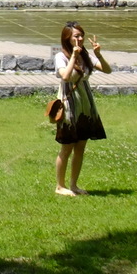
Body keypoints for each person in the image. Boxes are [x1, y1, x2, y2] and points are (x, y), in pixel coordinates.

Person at [53, 21, 111, 196]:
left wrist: (98, 55)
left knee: (80, 146)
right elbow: (65, 76)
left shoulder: (85, 55)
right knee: (67, 146)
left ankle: (74, 185)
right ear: (67, 38)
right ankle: (59, 186)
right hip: (69, 105)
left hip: (85, 105)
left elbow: (107, 70)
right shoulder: (60, 56)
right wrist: (73, 57)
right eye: (76, 36)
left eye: (81, 35)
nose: (80, 38)